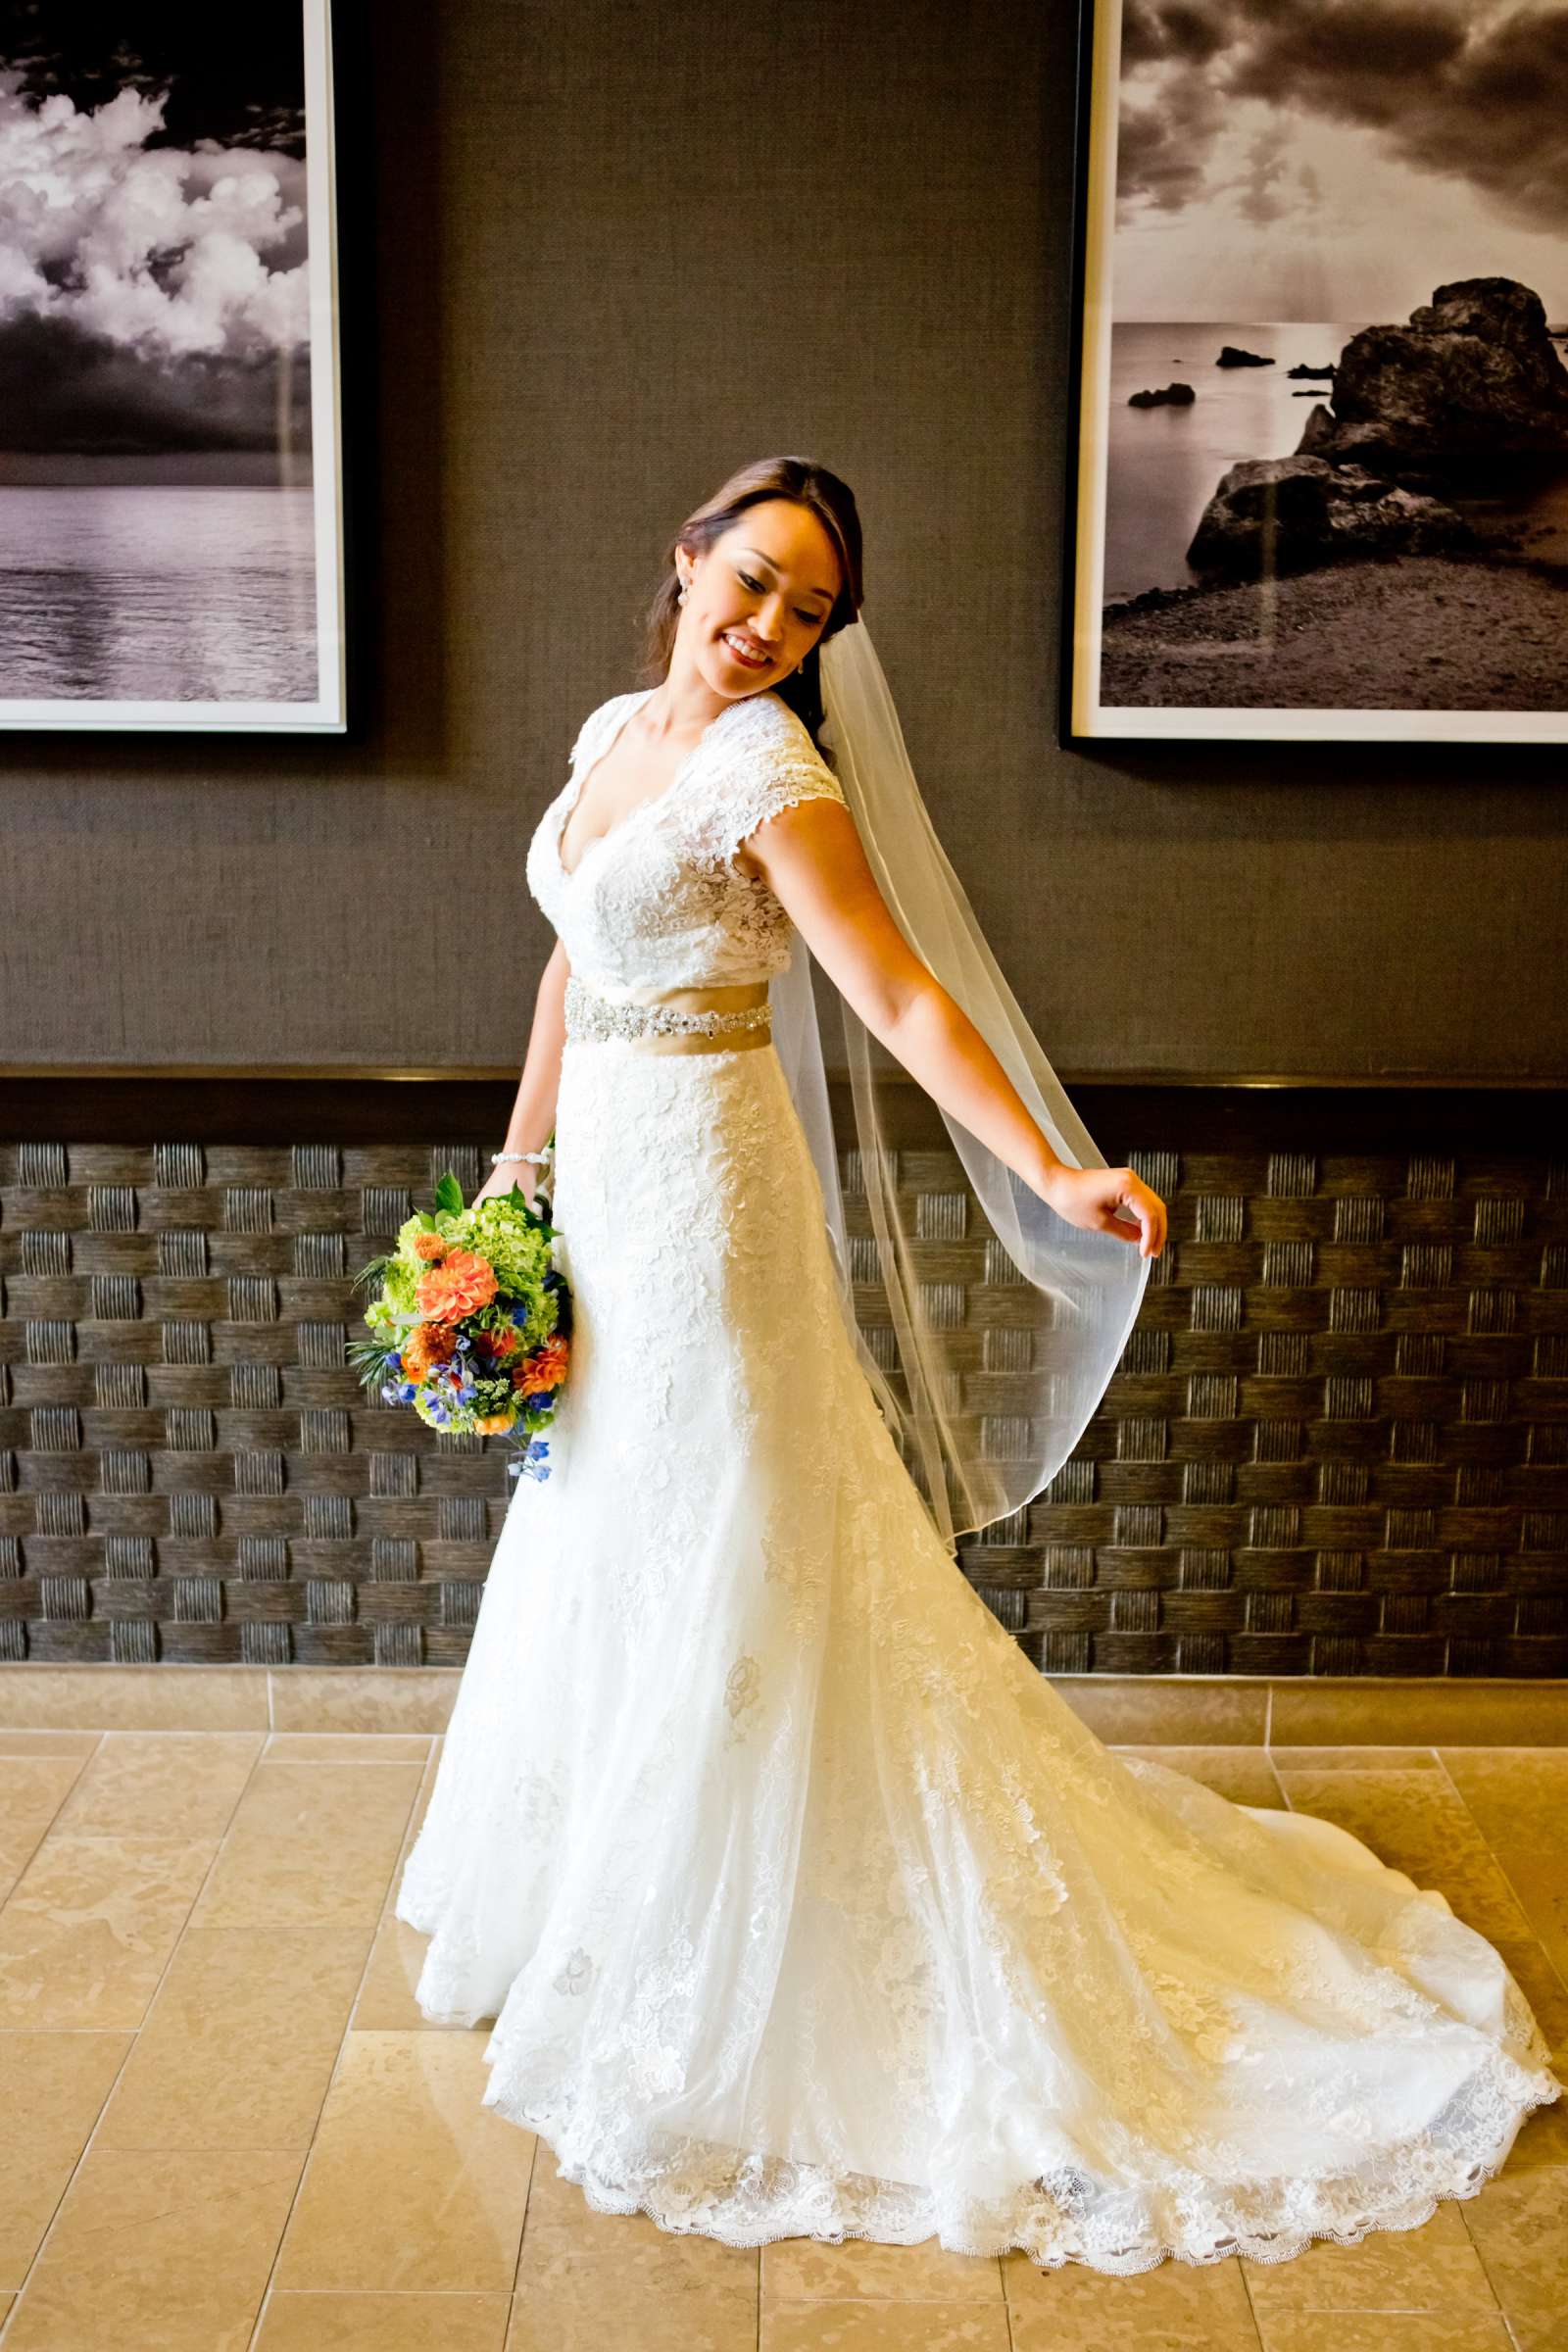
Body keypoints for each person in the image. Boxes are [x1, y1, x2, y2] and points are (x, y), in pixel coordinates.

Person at [394, 456, 1559, 2272]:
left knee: (740, 1525)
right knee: (610, 1514)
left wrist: (1049, 1165)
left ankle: (738, 1937)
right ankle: (594, 1902)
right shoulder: (617, 726)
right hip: (600, 1190)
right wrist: (513, 1177)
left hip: (707, 1199)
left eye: (808, 609)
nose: (767, 623)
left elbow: (903, 994)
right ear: (686, 553)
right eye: (753, 579)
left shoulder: (770, 774)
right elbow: (565, 968)